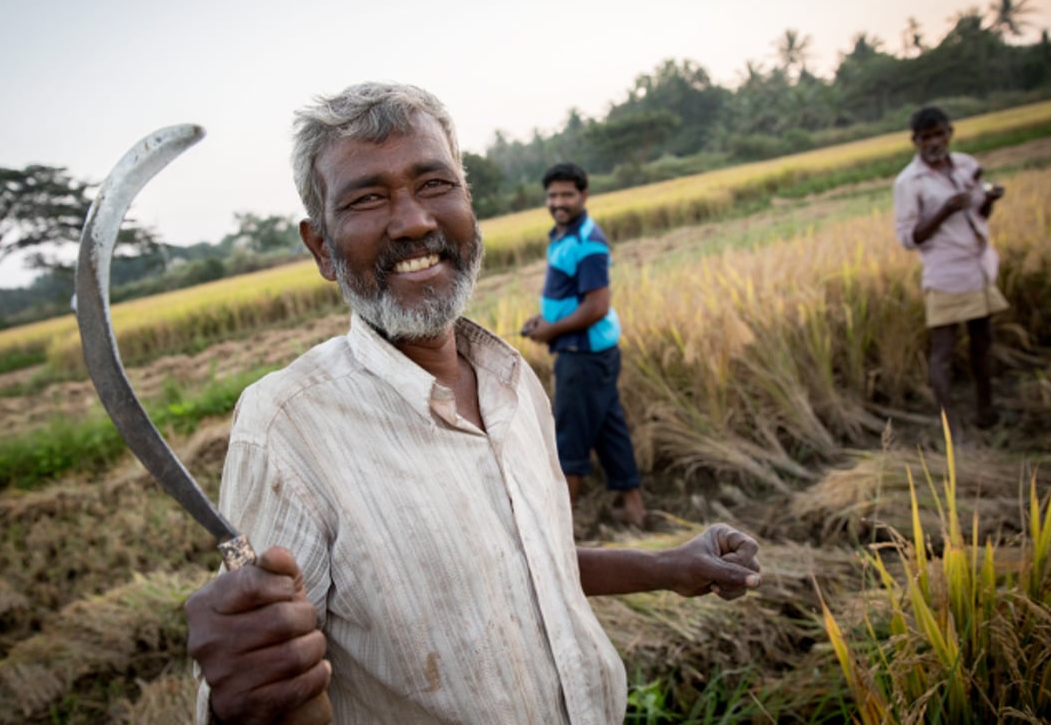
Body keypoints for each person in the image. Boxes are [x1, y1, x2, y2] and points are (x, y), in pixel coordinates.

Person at [185, 82, 762, 725]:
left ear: (468, 202)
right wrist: (246, 699)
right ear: (321, 246)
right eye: (368, 197)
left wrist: (667, 566)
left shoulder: (513, 381)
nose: (413, 221)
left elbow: (527, 562)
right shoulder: (289, 430)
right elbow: (271, 676)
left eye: (436, 184)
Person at [521, 163, 647, 527]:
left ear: (584, 195)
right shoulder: (562, 236)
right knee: (610, 430)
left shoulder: (588, 242)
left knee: (570, 437)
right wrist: (542, 322)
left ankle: (563, 527)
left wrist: (552, 331)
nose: (558, 202)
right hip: (587, 351)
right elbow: (569, 297)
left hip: (583, 355)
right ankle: (634, 509)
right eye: (553, 195)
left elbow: (597, 306)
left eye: (567, 195)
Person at [893, 105, 1007, 432]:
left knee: (983, 339)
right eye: (926, 137)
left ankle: (986, 411)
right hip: (945, 273)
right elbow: (908, 238)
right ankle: (951, 428)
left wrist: (989, 199)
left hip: (979, 267)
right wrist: (945, 209)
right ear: (914, 141)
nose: (934, 142)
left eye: (939, 134)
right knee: (942, 350)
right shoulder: (908, 182)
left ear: (950, 133)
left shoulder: (966, 166)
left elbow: (978, 216)